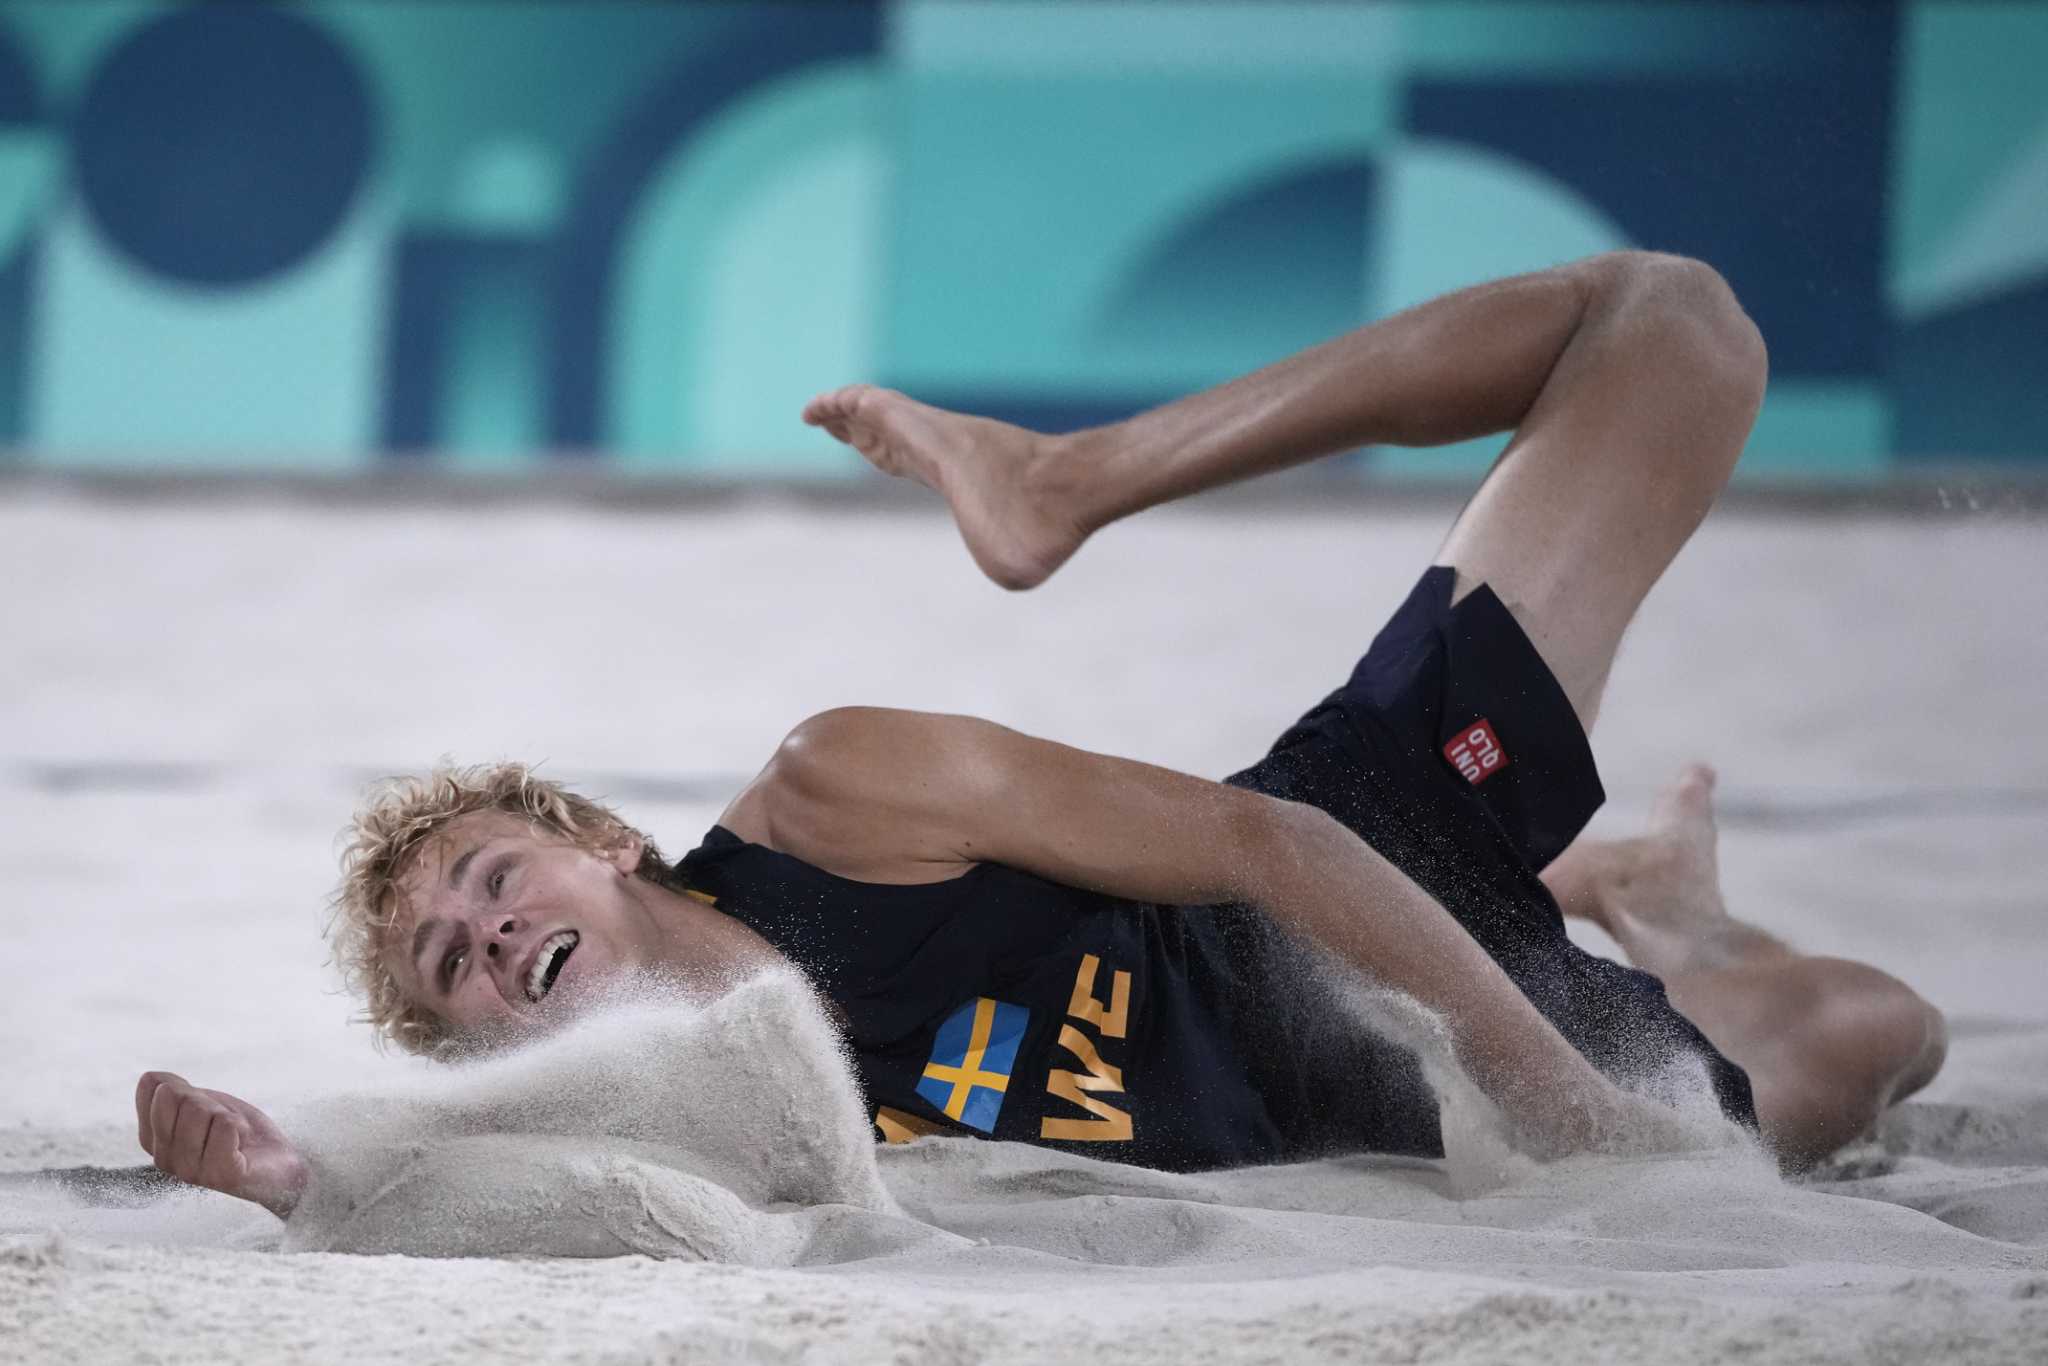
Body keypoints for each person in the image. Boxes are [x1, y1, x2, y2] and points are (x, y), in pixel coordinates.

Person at [133, 252, 1948, 1222]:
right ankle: (1676, 914)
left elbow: (1270, 850)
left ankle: (1071, 475)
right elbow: (465, 1190)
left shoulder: (831, 794)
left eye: (484, 875)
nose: (477, 930)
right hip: (1353, 1106)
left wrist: (1551, 1090)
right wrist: (281, 1178)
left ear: (603, 841)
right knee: (1881, 1031)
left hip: (1354, 883)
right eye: (447, 965)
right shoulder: (658, 1106)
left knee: (1672, 326)